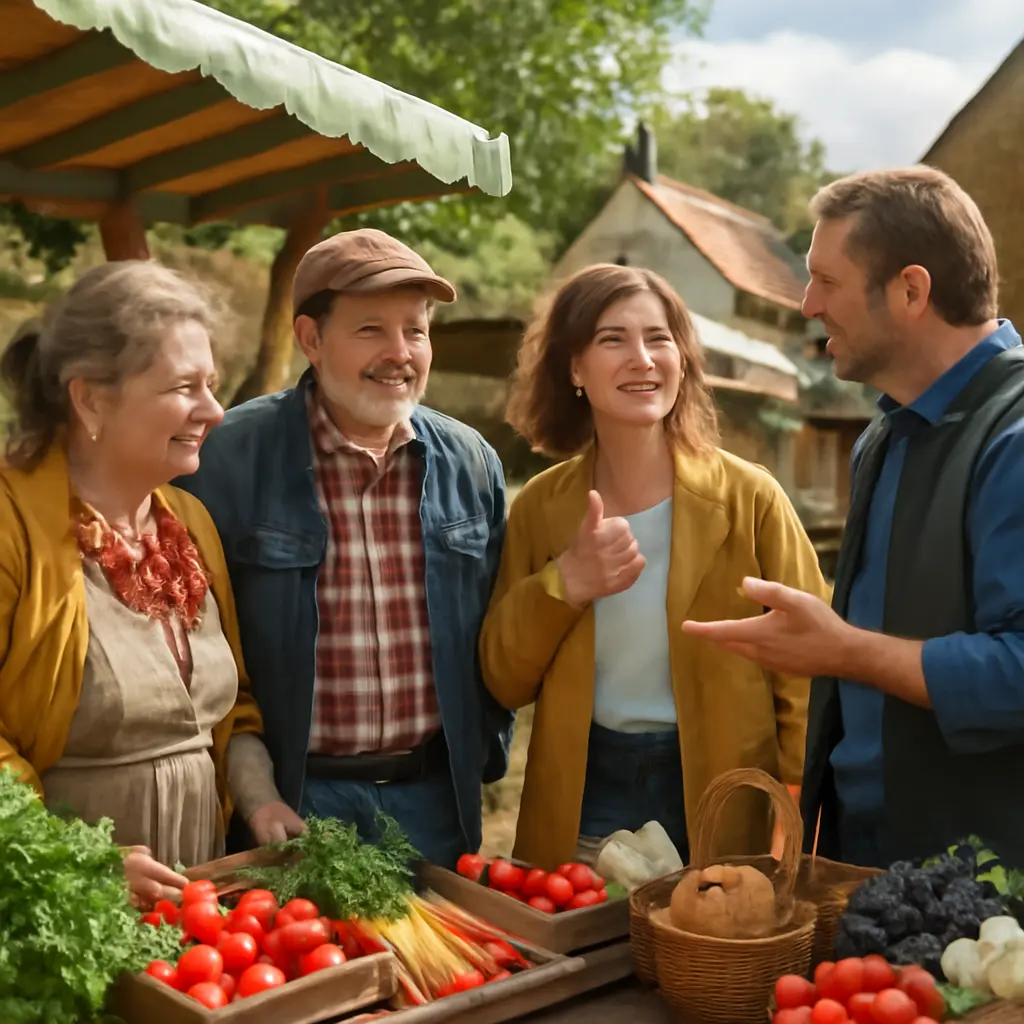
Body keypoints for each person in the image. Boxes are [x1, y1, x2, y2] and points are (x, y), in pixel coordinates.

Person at [682, 166, 1024, 869]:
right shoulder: (883, 435)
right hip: (862, 856)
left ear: (910, 290)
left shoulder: (1013, 438)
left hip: (982, 890)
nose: (807, 305)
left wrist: (841, 650)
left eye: (826, 281)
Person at [176, 228, 511, 869]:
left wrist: (483, 752)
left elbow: (497, 630)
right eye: (370, 330)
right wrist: (252, 792)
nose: (400, 353)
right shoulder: (224, 459)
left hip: (435, 802)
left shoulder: (472, 462)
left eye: (415, 330)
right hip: (291, 802)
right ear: (310, 338)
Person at [477, 263, 826, 872]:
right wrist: (567, 584)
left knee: (713, 959)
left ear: (683, 360)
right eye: (613, 339)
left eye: (659, 338)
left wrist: (798, 816)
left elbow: (809, 676)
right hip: (587, 786)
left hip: (725, 785)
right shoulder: (540, 507)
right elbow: (504, 679)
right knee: (590, 961)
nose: (642, 358)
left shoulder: (753, 499)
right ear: (575, 368)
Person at [0, 261, 303, 907]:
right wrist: (83, 866)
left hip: (201, 913)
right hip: (55, 905)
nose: (215, 411)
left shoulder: (189, 522)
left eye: (213, 385)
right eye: (184, 386)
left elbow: (232, 709)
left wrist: (261, 800)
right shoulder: (9, 526)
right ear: (91, 398)